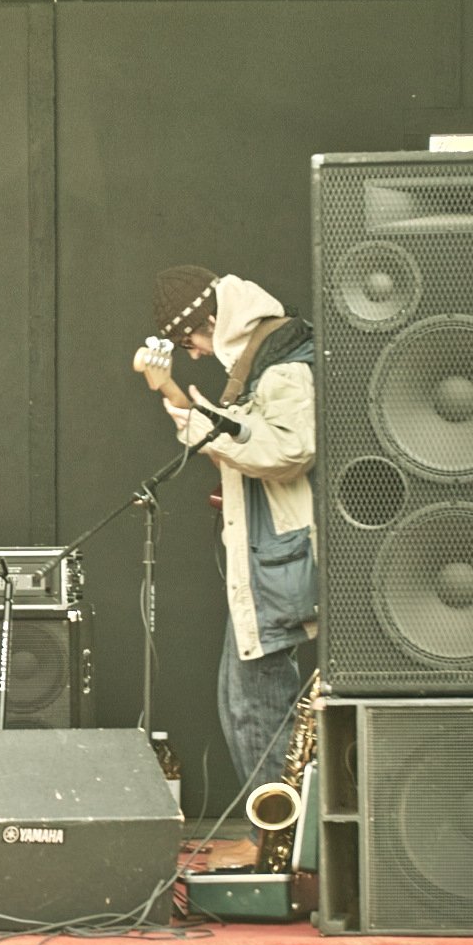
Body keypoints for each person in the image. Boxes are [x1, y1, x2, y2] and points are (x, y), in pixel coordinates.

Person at [134, 265, 318, 795]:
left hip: (284, 555)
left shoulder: (283, 366)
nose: (192, 353)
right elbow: (241, 443)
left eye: (187, 340)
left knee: (252, 704)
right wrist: (172, 393)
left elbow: (288, 451)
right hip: (271, 554)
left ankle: (279, 830)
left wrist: (200, 420)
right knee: (243, 698)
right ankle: (283, 825)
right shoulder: (262, 359)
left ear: (210, 322)